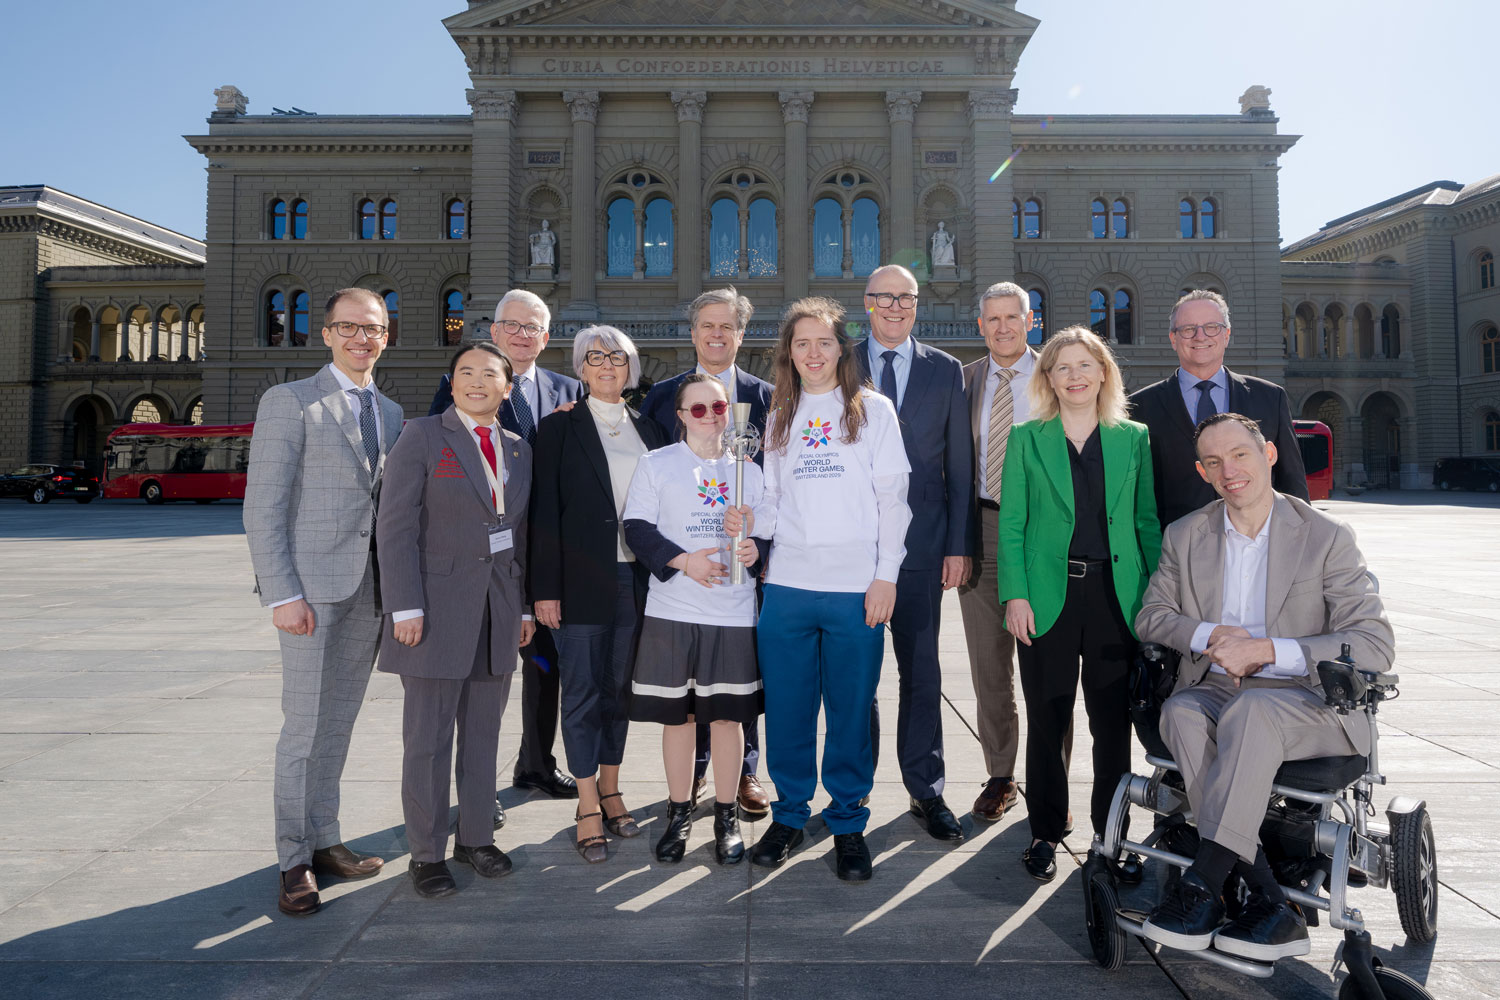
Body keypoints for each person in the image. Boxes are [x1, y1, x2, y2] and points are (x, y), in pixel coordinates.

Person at [1137, 412, 1393, 960]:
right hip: (1218, 686)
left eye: (1240, 455)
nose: (1229, 470)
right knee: (1180, 712)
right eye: (1214, 462)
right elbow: (1152, 616)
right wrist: (1209, 634)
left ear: (1269, 454)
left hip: (1306, 697)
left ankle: (1204, 885)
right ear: (1203, 472)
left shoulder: (1324, 537)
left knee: (1253, 713)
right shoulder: (1187, 535)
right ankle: (1272, 902)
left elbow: (1373, 643)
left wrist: (1269, 650)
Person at [727, 297, 911, 882]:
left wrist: (886, 577)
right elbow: (776, 504)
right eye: (801, 343)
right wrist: (750, 524)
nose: (813, 353)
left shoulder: (873, 411)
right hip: (788, 588)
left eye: (824, 342)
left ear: (841, 349)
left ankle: (849, 822)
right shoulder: (779, 414)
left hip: (855, 588)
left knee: (851, 712)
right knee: (787, 710)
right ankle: (788, 813)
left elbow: (893, 503)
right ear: (789, 353)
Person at [244, 288, 403, 917]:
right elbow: (264, 506)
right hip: (309, 592)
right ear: (327, 333)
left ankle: (326, 840)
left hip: (367, 591)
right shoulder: (290, 402)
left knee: (337, 724)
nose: (364, 338)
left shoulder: (389, 412)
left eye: (375, 329)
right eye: (351, 328)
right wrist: (282, 592)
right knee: (303, 728)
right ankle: (291, 861)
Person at [997, 326, 1161, 883]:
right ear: (1048, 378)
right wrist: (1015, 596)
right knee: (1048, 719)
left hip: (1118, 599)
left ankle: (1111, 836)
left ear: (1103, 373)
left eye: (1084, 365)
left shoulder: (1132, 437)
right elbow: (1013, 525)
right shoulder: (1027, 437)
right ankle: (1044, 831)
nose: (1074, 376)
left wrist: (1156, 603)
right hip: (1047, 598)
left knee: (1112, 724)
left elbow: (1145, 524)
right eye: (1062, 367)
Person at [376, 342, 532, 898]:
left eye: (489, 374)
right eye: (465, 372)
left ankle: (474, 837)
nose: (476, 381)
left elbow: (519, 537)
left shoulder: (517, 448)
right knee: (428, 739)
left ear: (506, 388)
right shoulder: (420, 436)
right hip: (433, 612)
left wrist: (526, 607)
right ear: (453, 381)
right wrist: (405, 606)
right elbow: (393, 528)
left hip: (497, 610)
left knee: (484, 735)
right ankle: (426, 852)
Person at [429, 290, 583, 807]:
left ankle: (536, 764)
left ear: (547, 336)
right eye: (511, 325)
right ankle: (473, 791)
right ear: (493, 331)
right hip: (483, 560)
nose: (521, 334)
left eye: (533, 326)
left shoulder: (570, 389)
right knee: (478, 678)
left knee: (544, 668)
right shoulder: (461, 386)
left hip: (545, 558)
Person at [531, 325, 668, 863]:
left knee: (620, 694)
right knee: (583, 693)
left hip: (638, 582)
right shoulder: (558, 429)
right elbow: (542, 515)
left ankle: (611, 789)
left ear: (630, 367)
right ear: (581, 369)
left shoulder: (652, 431)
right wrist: (544, 590)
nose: (607, 364)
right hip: (579, 583)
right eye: (595, 357)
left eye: (617, 356)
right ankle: (587, 804)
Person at [639, 287, 773, 818]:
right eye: (706, 326)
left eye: (727, 327)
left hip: (742, 577)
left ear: (741, 334)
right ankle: (688, 780)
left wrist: (757, 542)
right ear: (692, 333)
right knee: (684, 695)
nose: (716, 336)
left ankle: (743, 775)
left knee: (738, 689)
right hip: (682, 578)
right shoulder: (663, 395)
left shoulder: (768, 396)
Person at [624, 374, 765, 865]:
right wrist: (688, 562)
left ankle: (726, 814)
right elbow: (637, 528)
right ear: (681, 416)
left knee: (728, 717)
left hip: (731, 611)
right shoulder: (657, 463)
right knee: (679, 717)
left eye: (719, 407)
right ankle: (679, 811)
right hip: (674, 608)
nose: (711, 416)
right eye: (699, 409)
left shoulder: (750, 471)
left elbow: (766, 535)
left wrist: (752, 547)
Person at [856, 265, 972, 843]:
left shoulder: (945, 370)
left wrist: (958, 544)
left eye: (906, 298)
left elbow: (960, 463)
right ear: (868, 303)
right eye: (885, 298)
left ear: (917, 304)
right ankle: (853, 790)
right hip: (851, 547)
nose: (896, 307)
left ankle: (926, 788)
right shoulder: (839, 361)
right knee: (857, 676)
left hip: (924, 545)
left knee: (921, 671)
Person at [957, 282, 1072, 824]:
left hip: (1047, 536)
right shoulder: (966, 381)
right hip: (982, 531)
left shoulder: (1057, 377)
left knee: (1048, 667)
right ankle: (1000, 774)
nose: (1002, 327)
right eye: (992, 319)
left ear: (1031, 320)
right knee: (989, 668)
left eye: (1012, 317)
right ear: (980, 325)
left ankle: (1054, 785)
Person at [1129, 289, 1307, 527]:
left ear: (1227, 335)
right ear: (1173, 339)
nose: (1200, 336)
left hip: (1258, 546)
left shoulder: (1270, 398)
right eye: (1188, 329)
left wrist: (1302, 539)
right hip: (1174, 549)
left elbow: (1292, 481)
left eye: (1211, 327)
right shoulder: (1140, 407)